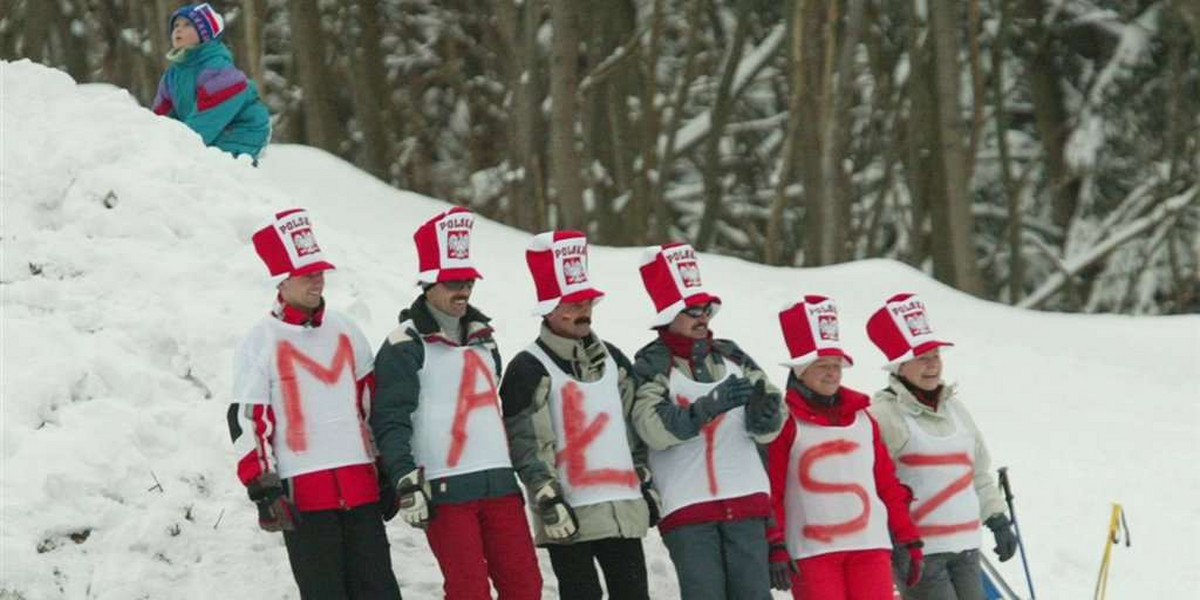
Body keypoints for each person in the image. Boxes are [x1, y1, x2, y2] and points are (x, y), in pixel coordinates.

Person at [228, 208, 402, 599]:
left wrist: (386, 467)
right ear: (282, 280)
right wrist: (264, 489)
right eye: (308, 274)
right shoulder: (261, 341)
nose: (318, 280)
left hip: (360, 489)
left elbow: (371, 405)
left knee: (380, 589)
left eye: (320, 272)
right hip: (304, 496)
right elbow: (248, 421)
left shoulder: (345, 329)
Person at [370, 207, 542, 600]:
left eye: (467, 280)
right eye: (451, 282)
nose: (462, 290)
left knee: (526, 587)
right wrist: (403, 478)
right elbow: (390, 418)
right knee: (468, 591)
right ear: (428, 283)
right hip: (446, 489)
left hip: (500, 484)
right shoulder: (404, 344)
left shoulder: (486, 339)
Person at [499, 231, 654, 599]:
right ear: (549, 308)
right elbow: (526, 444)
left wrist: (645, 480)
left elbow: (633, 431)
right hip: (568, 514)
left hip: (622, 509)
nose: (583, 310)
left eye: (588, 302)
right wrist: (545, 496)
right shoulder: (527, 368)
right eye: (572, 303)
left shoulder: (614, 359)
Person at [631, 243, 786, 600]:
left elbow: (773, 414)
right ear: (669, 315)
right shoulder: (652, 366)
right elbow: (651, 428)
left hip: (746, 500)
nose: (703, 317)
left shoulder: (732, 355)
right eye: (692, 310)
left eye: (706, 309)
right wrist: (704, 408)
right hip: (689, 509)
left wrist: (765, 415)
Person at [766, 295, 923, 600]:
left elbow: (886, 484)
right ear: (800, 370)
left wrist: (908, 538)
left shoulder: (864, 419)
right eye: (822, 365)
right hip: (813, 552)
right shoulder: (785, 421)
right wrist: (776, 543)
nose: (832, 373)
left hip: (870, 546)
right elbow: (774, 490)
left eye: (837, 365)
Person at [865, 293, 1018, 600]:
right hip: (920, 553)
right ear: (899, 366)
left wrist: (997, 519)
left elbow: (978, 473)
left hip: (966, 548)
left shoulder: (956, 411)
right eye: (922, 358)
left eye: (935, 356)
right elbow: (874, 484)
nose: (932, 365)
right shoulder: (885, 415)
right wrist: (894, 541)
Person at [152, 3, 270, 161]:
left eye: (188, 25)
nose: (179, 30)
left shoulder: (217, 69)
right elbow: (160, 118)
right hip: (209, 130)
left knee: (211, 166)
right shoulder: (172, 75)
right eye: (176, 25)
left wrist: (178, 147)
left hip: (241, 130)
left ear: (205, 34)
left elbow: (208, 118)